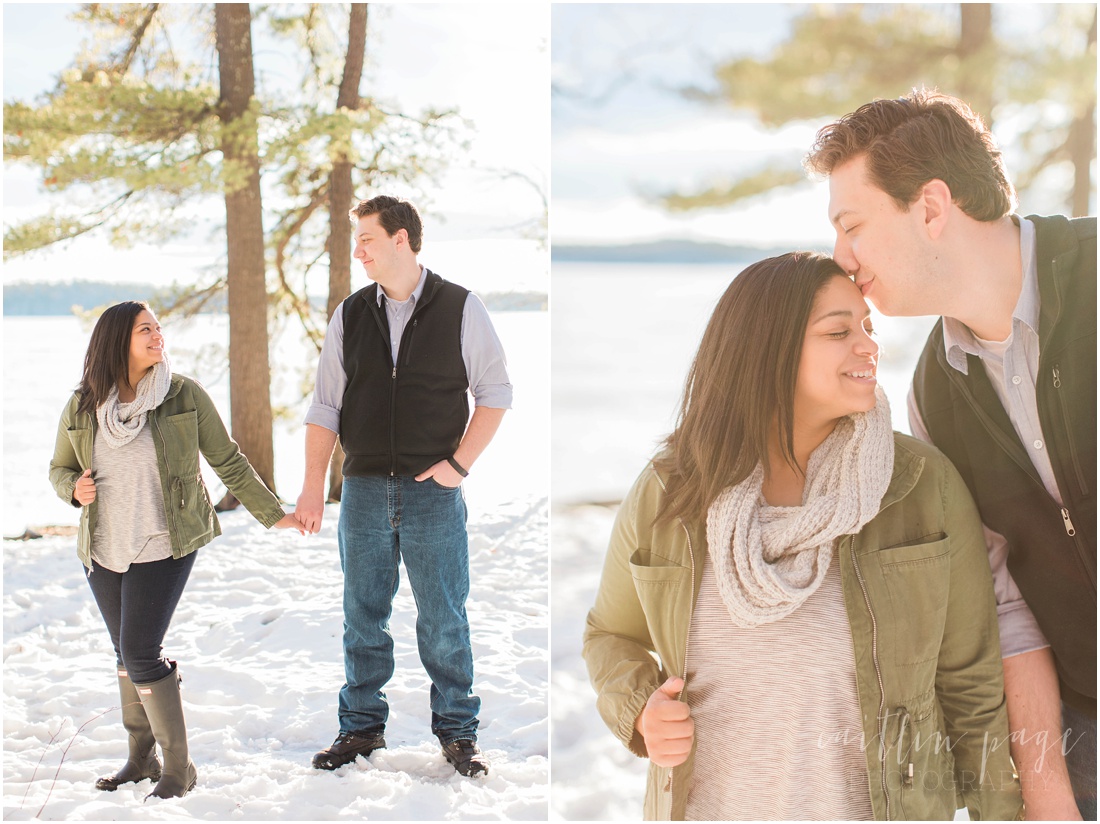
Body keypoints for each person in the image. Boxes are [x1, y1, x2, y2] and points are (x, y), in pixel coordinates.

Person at [583, 253, 1021, 821]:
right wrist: (641, 710)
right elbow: (609, 634)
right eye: (838, 331)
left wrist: (1002, 812)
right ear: (767, 350)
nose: (868, 345)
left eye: (867, 327)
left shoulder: (918, 484)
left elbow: (971, 681)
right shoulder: (671, 490)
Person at [806, 88, 1096, 821]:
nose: (841, 257)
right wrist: (1052, 800)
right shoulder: (933, 398)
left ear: (931, 207)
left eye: (852, 226)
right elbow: (1009, 610)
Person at [48, 301, 304, 800]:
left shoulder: (182, 395)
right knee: (126, 653)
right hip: (103, 548)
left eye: (159, 328)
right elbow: (58, 468)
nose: (157, 335)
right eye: (146, 329)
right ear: (117, 339)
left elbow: (227, 460)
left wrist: (274, 513)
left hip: (167, 541)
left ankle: (178, 770)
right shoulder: (83, 404)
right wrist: (71, 488)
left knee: (142, 652)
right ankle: (141, 760)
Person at [296, 195, 511, 777]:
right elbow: (325, 406)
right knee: (362, 616)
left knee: (443, 617)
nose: (358, 249)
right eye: (356, 240)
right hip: (362, 488)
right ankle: (360, 730)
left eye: (367, 238)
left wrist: (458, 467)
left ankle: (458, 734)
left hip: (432, 491)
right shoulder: (349, 314)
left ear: (401, 240)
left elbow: (495, 394)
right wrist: (314, 485)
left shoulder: (461, 307)